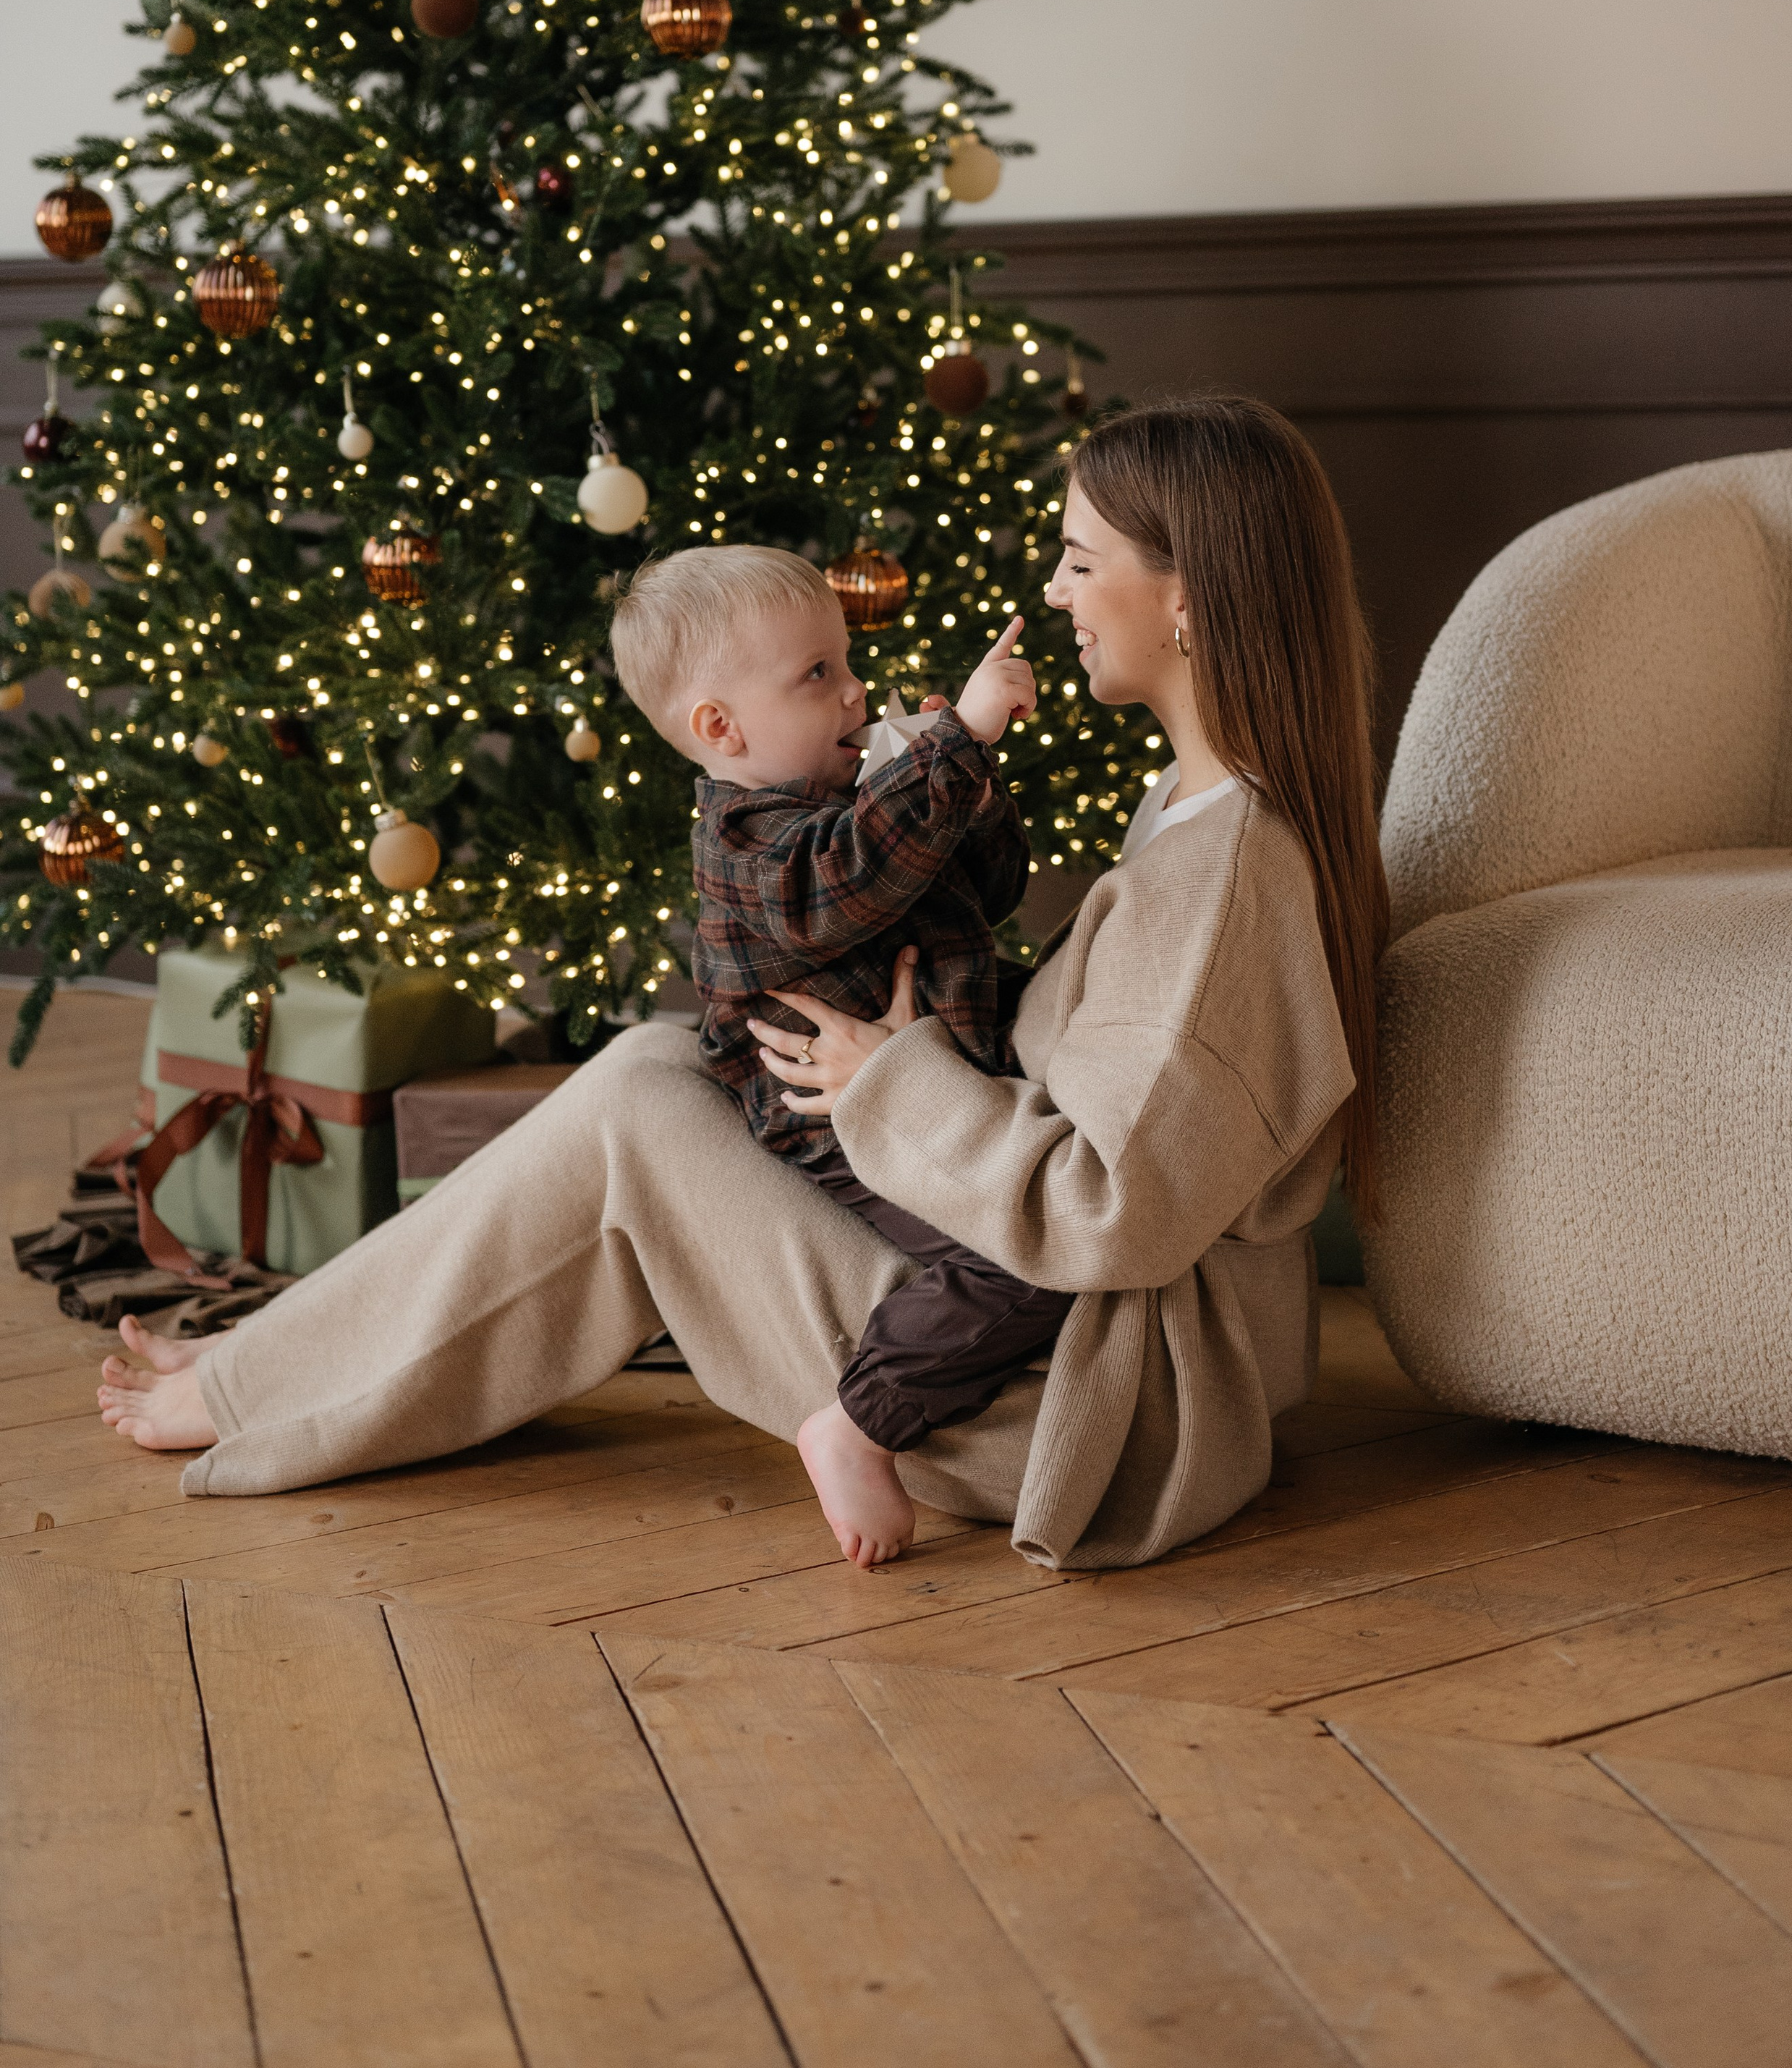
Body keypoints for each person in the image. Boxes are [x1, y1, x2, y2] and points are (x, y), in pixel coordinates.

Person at [97, 396, 1388, 1579]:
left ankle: (259, 1382)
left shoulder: (1223, 880)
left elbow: (1112, 1217)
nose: (1052, 590)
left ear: (1187, 598)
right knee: (659, 1067)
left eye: (1082, 559)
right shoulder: (1195, 806)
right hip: (1058, 1325)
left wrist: (892, 1079)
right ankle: (274, 1358)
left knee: (640, 1121)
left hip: (1086, 1394)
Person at [608, 543, 1066, 1566]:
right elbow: (841, 887)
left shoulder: (863, 803)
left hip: (932, 1080)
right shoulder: (755, 844)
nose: (856, 689)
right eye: (817, 675)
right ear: (720, 728)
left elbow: (984, 893)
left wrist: (972, 791)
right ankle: (859, 1426)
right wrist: (960, 744)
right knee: (1023, 1257)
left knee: (1048, 1213)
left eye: (846, 661)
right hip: (826, 1119)